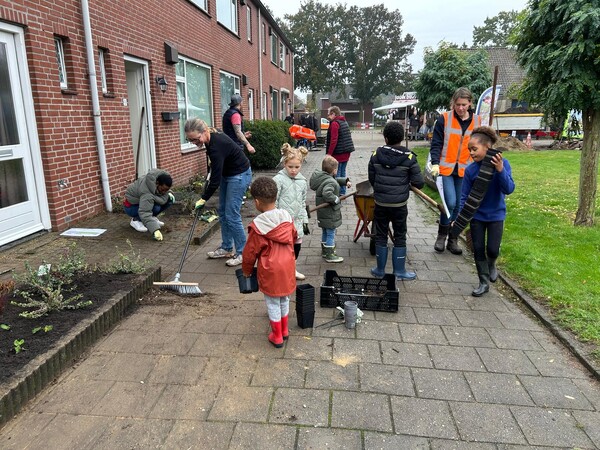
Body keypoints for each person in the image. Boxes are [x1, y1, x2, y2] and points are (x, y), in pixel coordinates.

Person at [455, 126, 515, 297]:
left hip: (496, 215)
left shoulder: (504, 165)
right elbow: (464, 196)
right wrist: (461, 216)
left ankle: (492, 263)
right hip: (477, 216)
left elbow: (509, 189)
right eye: (469, 150)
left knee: (493, 250)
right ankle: (483, 282)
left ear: (487, 148)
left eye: (474, 149)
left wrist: (500, 170)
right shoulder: (471, 170)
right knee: (478, 249)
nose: (471, 153)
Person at [185, 118, 252, 267]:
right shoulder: (209, 139)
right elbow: (214, 167)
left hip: (239, 174)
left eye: (195, 139)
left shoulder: (216, 144)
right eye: (189, 140)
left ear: (204, 132)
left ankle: (243, 253)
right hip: (228, 174)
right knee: (222, 211)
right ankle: (227, 248)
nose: (193, 142)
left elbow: (215, 180)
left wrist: (203, 198)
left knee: (232, 215)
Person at [241, 177, 297, 348]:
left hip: (270, 269)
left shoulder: (258, 226)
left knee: (272, 302)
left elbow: (250, 252)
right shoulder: (287, 217)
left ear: (257, 202)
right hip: (288, 265)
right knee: (284, 298)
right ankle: (285, 329)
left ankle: (277, 336)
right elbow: (294, 236)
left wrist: (247, 271)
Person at [428, 87, 482, 255]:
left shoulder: (477, 122)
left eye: (464, 105)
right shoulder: (444, 119)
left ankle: (453, 239)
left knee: (459, 205)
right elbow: (436, 143)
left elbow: (481, 145)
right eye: (458, 104)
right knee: (449, 203)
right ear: (453, 103)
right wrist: (435, 163)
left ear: (470, 103)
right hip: (445, 167)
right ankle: (441, 236)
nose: (460, 108)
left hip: (465, 169)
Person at [368, 121, 425, 280]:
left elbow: (372, 179)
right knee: (400, 235)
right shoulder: (409, 157)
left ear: (385, 138)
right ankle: (399, 272)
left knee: (381, 234)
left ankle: (380, 270)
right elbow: (419, 183)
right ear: (402, 138)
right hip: (399, 205)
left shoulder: (375, 155)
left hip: (380, 203)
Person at [273, 143, 310, 280]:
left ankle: (292, 268)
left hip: (298, 220)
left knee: (297, 245)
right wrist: (275, 219)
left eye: (297, 167)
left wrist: (305, 221)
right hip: (283, 221)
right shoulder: (278, 180)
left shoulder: (302, 181)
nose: (294, 170)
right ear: (284, 164)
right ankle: (282, 270)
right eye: (290, 167)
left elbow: (302, 202)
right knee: (283, 247)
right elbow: (274, 201)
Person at [309, 155, 351, 263]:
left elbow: (334, 180)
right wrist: (336, 199)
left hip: (323, 213)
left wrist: (345, 181)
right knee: (331, 232)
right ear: (334, 170)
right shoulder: (330, 181)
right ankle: (330, 255)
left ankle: (324, 250)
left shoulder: (323, 177)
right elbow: (327, 193)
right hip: (329, 212)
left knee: (325, 230)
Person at [124, 169, 175, 241]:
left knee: (168, 200)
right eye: (163, 189)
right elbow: (145, 212)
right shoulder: (146, 191)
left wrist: (168, 194)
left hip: (142, 204)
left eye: (166, 190)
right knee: (156, 208)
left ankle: (151, 219)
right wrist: (155, 230)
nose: (164, 192)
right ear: (157, 183)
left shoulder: (159, 181)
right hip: (131, 207)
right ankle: (135, 220)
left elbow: (162, 193)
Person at [325, 106, 355, 195]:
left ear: (333, 114)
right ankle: (342, 191)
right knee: (342, 171)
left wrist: (329, 154)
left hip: (338, 152)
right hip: (346, 151)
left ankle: (337, 192)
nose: (327, 116)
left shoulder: (335, 123)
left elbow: (334, 140)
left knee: (336, 173)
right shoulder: (343, 121)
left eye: (328, 114)